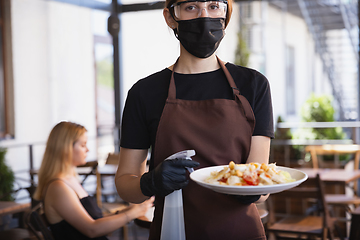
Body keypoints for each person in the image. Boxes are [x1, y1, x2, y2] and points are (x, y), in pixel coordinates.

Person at [115, 0, 274, 239]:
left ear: (225, 13)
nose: (203, 16)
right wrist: (150, 183)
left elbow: (261, 183)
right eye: (190, 7)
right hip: (173, 229)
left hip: (240, 231)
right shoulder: (144, 93)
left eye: (213, 6)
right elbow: (126, 185)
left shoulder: (253, 85)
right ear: (170, 17)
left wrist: (254, 190)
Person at [33, 121, 154, 240]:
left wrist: (127, 211)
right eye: (83, 145)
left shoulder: (69, 180)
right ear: (66, 148)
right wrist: (132, 213)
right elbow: (92, 230)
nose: (88, 150)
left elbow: (95, 219)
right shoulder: (58, 187)